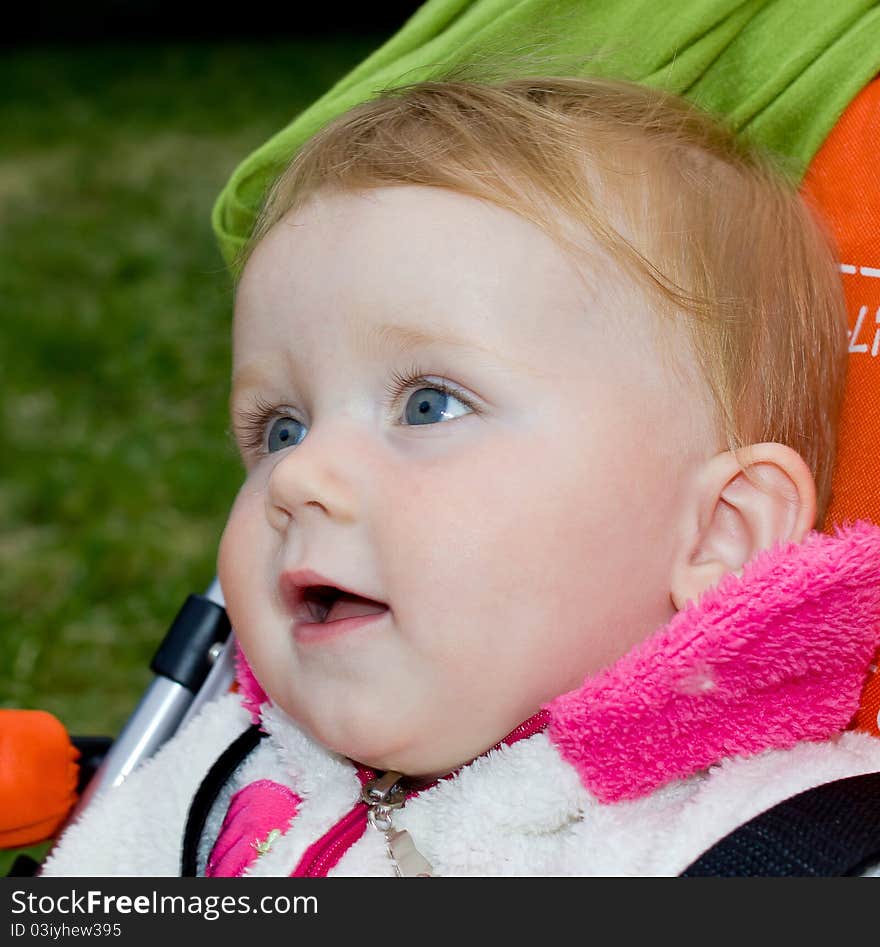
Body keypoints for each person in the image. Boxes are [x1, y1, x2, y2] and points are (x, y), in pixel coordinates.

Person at [42, 74, 880, 877]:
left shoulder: (789, 851)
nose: (300, 476)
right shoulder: (210, 786)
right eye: (281, 428)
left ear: (719, 531)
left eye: (430, 406)